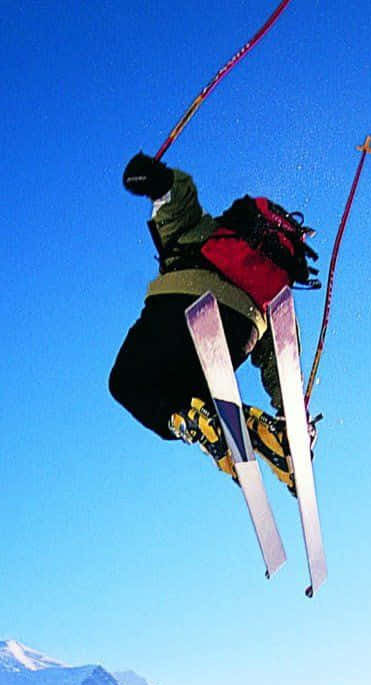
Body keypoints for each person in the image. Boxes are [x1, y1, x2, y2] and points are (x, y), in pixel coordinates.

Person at [110, 152, 317, 492]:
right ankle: (271, 437)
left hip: (181, 309)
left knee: (128, 382)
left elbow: (177, 194)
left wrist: (151, 176)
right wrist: (294, 417)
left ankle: (190, 420)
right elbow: (280, 355)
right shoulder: (272, 288)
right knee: (199, 394)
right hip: (241, 330)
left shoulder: (202, 229)